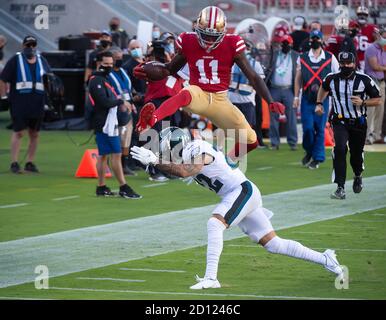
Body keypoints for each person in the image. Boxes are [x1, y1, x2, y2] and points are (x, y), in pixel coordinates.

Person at [130, 127, 344, 289]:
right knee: (274, 244)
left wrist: (155, 161)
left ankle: (211, 278)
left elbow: (186, 171)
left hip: (241, 191)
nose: (166, 152)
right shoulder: (190, 151)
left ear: (176, 144)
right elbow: (179, 171)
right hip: (240, 193)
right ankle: (326, 259)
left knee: (215, 224)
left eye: (167, 148)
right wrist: (154, 162)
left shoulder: (196, 148)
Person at [134, 6, 285, 161]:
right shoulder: (188, 40)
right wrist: (149, 70)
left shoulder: (232, 44)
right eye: (206, 35)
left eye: (214, 36)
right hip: (199, 94)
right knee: (187, 92)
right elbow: (169, 69)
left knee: (251, 140)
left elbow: (253, 77)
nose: (209, 40)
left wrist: (270, 101)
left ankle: (227, 162)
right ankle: (151, 118)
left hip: (220, 100)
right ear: (198, 28)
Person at [316, 52, 381, 199]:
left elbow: (378, 100)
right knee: (339, 149)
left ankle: (358, 174)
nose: (345, 66)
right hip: (339, 121)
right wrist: (319, 103)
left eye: (348, 63)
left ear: (354, 63)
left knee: (356, 154)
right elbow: (323, 87)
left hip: (358, 122)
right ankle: (340, 187)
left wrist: (363, 102)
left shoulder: (364, 79)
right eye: (343, 63)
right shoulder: (332, 78)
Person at [88, 51, 141, 199]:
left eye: (111, 64)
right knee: (116, 154)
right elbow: (103, 102)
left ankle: (101, 187)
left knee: (104, 155)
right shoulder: (96, 80)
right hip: (104, 123)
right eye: (106, 64)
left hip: (108, 122)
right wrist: (120, 102)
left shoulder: (103, 79)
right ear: (98, 63)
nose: (109, 67)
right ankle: (123, 186)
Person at [0, 36, 51, 173]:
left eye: (33, 44)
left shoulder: (42, 60)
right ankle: (14, 162)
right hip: (19, 102)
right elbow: (3, 79)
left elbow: (49, 79)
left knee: (34, 133)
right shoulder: (15, 60)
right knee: (19, 132)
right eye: (28, 45)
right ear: (23, 46)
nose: (31, 47)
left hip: (37, 103)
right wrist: (4, 96)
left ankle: (30, 162)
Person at [294, 29, 339, 169]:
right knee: (307, 129)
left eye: (317, 38)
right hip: (307, 98)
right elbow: (298, 78)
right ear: (309, 40)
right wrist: (296, 96)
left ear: (321, 40)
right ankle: (309, 151)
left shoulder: (330, 58)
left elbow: (336, 78)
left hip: (324, 99)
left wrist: (331, 98)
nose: (315, 40)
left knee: (319, 128)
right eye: (312, 38)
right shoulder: (302, 57)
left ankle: (317, 158)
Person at [228, 39, 266, 149]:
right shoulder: (231, 62)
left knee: (247, 126)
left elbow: (260, 83)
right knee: (232, 126)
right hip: (232, 99)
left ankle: (242, 148)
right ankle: (233, 148)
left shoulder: (255, 64)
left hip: (247, 99)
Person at [265, 34, 299, 150]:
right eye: (283, 43)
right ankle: (274, 142)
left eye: (287, 44)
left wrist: (297, 92)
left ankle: (293, 142)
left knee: (291, 117)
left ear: (291, 44)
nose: (285, 45)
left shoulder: (295, 56)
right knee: (273, 117)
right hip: (274, 88)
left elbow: (298, 73)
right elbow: (268, 65)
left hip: (289, 89)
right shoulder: (274, 54)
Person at [108, 47, 136, 176]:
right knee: (116, 137)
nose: (119, 61)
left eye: (120, 58)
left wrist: (131, 102)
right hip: (114, 109)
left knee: (127, 137)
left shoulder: (123, 71)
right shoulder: (107, 74)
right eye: (116, 59)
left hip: (127, 107)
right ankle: (113, 164)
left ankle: (124, 165)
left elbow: (127, 90)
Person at [364, 28, 386, 145]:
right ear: (378, 36)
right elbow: (375, 66)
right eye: (384, 36)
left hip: (381, 81)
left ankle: (377, 135)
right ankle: (367, 136)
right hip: (372, 82)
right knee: (370, 110)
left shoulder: (384, 49)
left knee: (380, 110)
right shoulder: (371, 49)